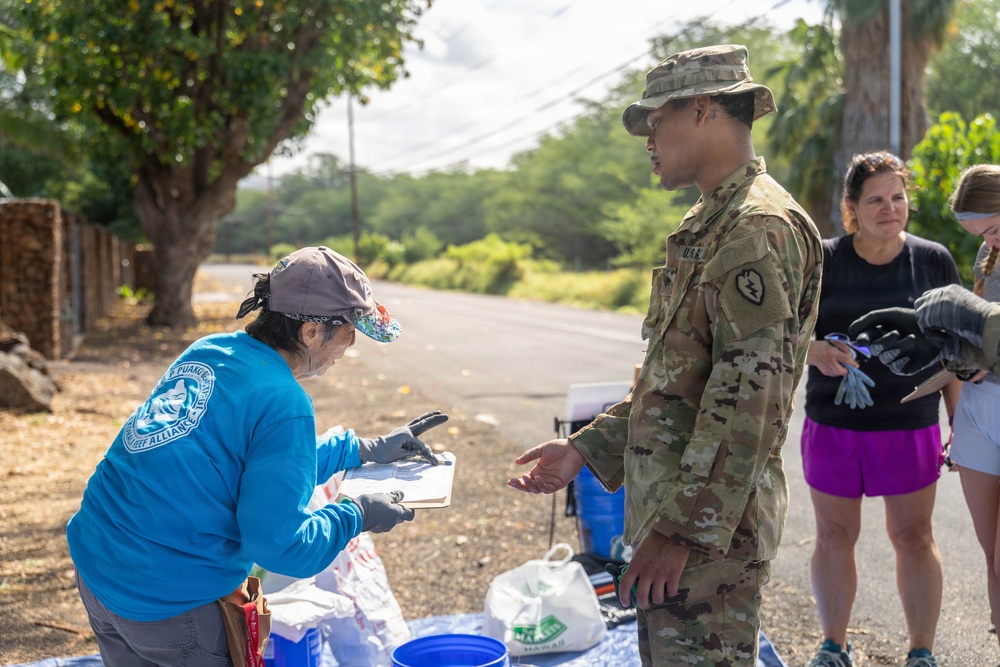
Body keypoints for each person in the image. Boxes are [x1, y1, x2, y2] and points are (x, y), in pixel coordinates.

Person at [507, 44, 823, 666]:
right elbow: (677, 382)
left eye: (656, 123)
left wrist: (680, 534)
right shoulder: (711, 220)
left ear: (703, 109)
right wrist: (584, 449)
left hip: (707, 538)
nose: (648, 141)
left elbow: (746, 407)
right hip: (679, 523)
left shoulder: (755, 230)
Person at [67, 246, 449, 667]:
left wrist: (360, 449)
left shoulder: (208, 352)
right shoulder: (285, 401)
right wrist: (355, 514)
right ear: (310, 331)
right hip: (169, 600)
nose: (350, 345)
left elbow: (244, 466)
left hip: (98, 562)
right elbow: (282, 548)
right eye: (350, 330)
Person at [799, 151, 961, 667]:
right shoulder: (821, 260)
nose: (889, 208)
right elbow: (784, 334)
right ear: (851, 208)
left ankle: (921, 652)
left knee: (913, 536)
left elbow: (957, 351)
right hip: (833, 425)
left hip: (909, 426)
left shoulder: (933, 261)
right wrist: (816, 350)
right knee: (832, 535)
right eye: (875, 199)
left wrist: (960, 422)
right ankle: (833, 646)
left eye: (898, 197)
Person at [856, 164, 1000, 648]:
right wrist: (944, 352)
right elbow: (980, 349)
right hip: (982, 409)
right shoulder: (989, 255)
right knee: (991, 561)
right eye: (982, 236)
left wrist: (961, 322)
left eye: (995, 229)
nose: (991, 244)